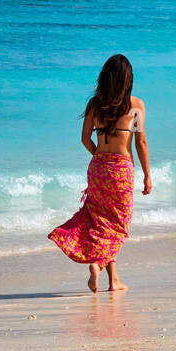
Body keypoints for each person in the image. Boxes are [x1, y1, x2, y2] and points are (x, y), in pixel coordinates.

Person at [48, 54, 151, 293]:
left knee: (101, 221)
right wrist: (147, 174)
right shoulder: (136, 106)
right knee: (118, 226)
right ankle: (98, 263)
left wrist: (98, 156)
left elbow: (84, 139)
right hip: (121, 170)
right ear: (129, 80)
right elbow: (141, 142)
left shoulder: (94, 104)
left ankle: (113, 280)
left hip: (98, 168)